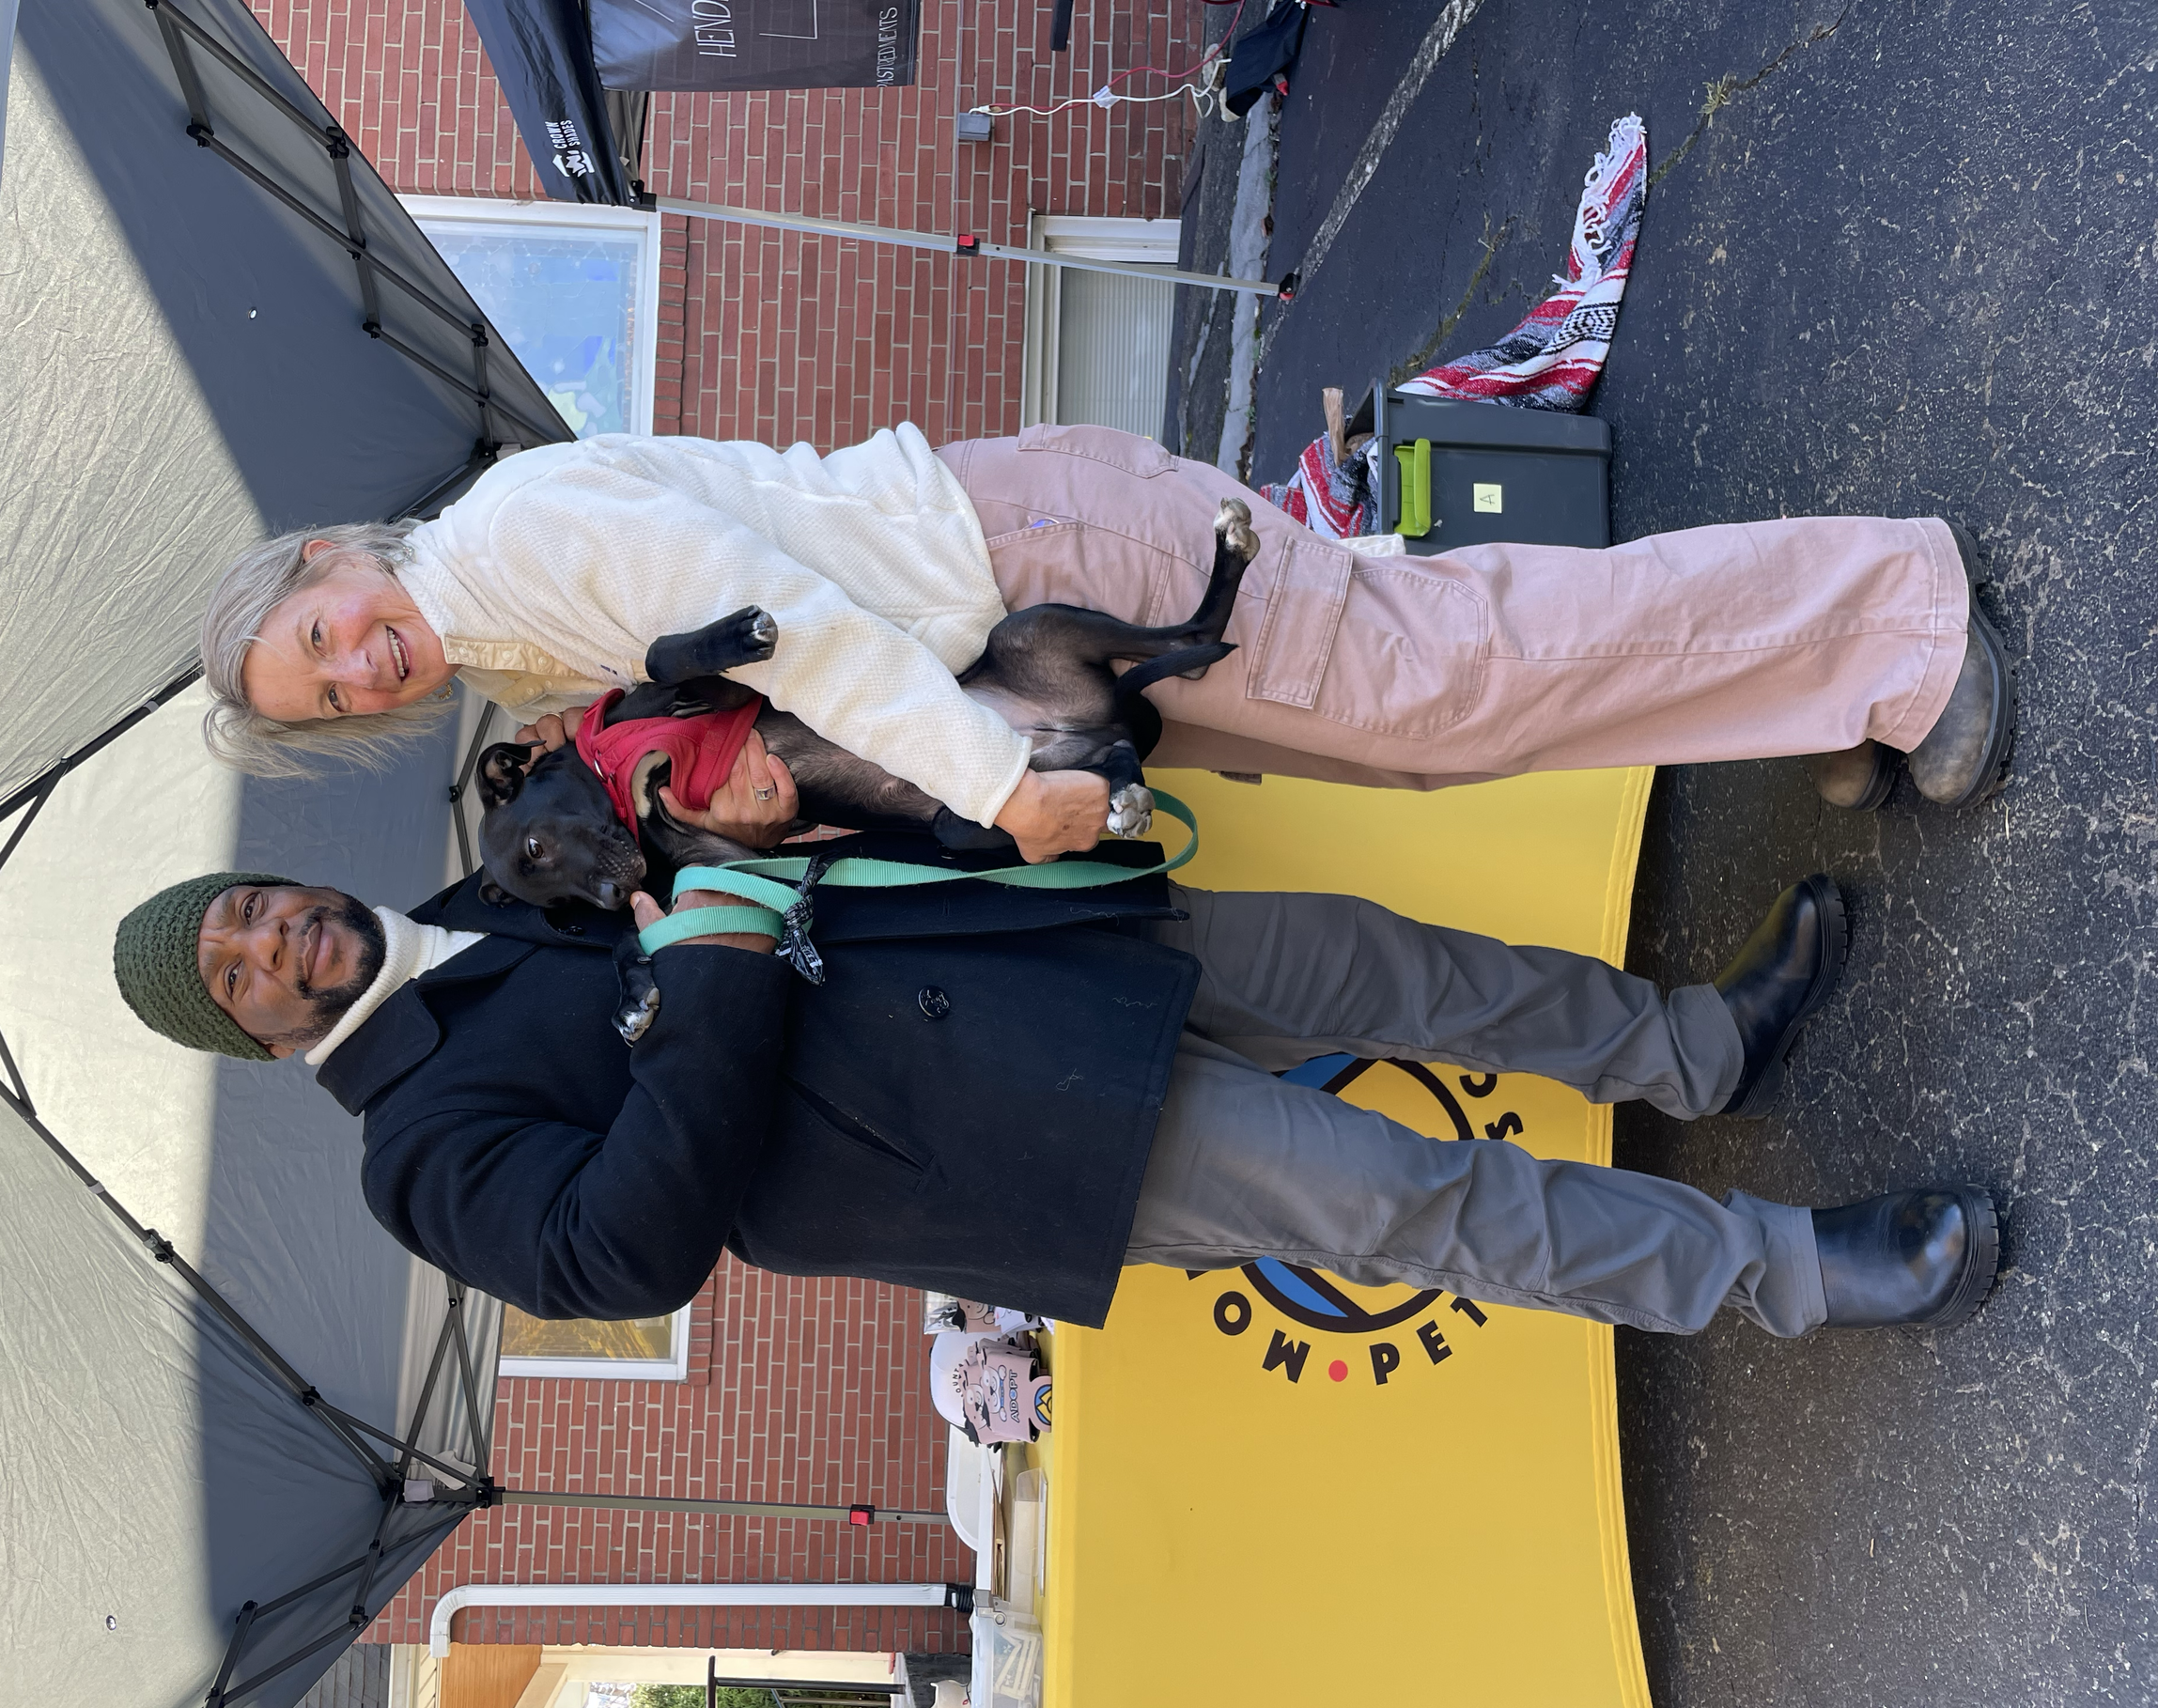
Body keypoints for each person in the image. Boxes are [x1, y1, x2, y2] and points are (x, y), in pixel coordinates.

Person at [110, 851, 1999, 1339]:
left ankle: (1693, 1048)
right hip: (1001, 1139)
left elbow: (721, 840)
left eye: (251, 908)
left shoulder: (470, 889)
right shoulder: (415, 1158)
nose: (271, 936)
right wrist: (702, 970)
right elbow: (624, 1249)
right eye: (238, 968)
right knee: (1416, 1204)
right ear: (263, 1036)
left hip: (1027, 953)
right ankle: (1796, 1268)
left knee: (1386, 963)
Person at [194, 425, 2017, 863]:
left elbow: (790, 627)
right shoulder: (507, 633)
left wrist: (1000, 790)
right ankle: (1808, 682)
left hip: (1053, 573)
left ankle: (1895, 619)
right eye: (333, 689)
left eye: (326, 628)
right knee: (1423, 730)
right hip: (1031, 615)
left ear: (334, 559)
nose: (363, 662)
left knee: (1452, 671)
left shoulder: (508, 539)